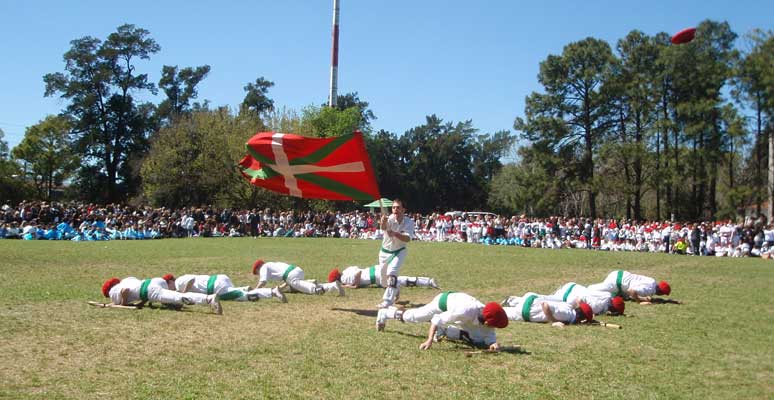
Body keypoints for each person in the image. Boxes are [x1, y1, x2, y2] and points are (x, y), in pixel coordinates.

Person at [375, 291, 508, 351]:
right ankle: (386, 313)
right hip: (442, 303)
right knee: (413, 317)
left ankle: (444, 330)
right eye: (493, 325)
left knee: (478, 340)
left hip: (458, 310)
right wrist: (429, 340)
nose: (493, 327)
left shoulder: (486, 315)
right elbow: (436, 319)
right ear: (486, 321)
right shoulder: (465, 311)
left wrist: (493, 343)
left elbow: (489, 334)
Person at [101, 274, 223, 314]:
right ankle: (176, 304)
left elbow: (125, 291)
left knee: (177, 297)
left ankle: (208, 299)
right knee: (174, 298)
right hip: (154, 281)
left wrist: (123, 304)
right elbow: (136, 289)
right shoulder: (126, 279)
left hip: (150, 290)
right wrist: (142, 303)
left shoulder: (113, 292)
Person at [376, 199, 415, 308]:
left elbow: (407, 239)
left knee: (392, 271)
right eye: (393, 207)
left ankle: (387, 301)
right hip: (384, 252)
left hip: (399, 251)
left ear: (403, 209)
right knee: (383, 281)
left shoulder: (409, 222)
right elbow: (383, 228)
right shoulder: (389, 219)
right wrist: (383, 222)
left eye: (398, 207)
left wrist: (394, 233)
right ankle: (396, 288)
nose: (395, 209)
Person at [252, 260, 344, 296]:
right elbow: (287, 280)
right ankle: (332, 285)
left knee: (312, 290)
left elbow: (262, 282)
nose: (259, 274)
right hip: (297, 270)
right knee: (299, 285)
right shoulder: (273, 264)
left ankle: (319, 287)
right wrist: (280, 289)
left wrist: (254, 291)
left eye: (257, 272)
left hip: (290, 276)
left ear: (258, 267)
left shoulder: (264, 267)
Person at [174, 273, 286, 303]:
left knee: (242, 297)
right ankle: (245, 288)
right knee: (235, 292)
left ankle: (272, 292)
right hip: (219, 279)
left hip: (214, 287)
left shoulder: (178, 281)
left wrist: (183, 293)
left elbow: (191, 281)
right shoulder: (181, 278)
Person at [501, 292, 594, 326]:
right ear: (582, 319)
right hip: (528, 310)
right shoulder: (566, 315)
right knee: (502, 315)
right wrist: (553, 321)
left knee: (501, 312)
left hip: (531, 298)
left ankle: (512, 300)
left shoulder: (570, 307)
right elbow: (545, 305)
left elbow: (578, 299)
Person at [537, 282, 625, 316]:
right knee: (542, 301)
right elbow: (579, 300)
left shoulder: (607, 294)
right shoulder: (599, 306)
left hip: (572, 285)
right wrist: (585, 313)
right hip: (566, 296)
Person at [587, 270, 671, 303]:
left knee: (621, 297)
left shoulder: (652, 281)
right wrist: (639, 300)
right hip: (616, 283)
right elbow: (631, 291)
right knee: (603, 295)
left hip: (619, 274)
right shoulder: (650, 289)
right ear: (660, 292)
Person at [327, 266, 440, 290]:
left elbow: (358, 274)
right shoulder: (347, 269)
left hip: (375, 277)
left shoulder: (344, 278)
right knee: (399, 280)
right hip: (374, 269)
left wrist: (353, 285)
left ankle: (428, 282)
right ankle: (427, 281)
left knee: (399, 281)